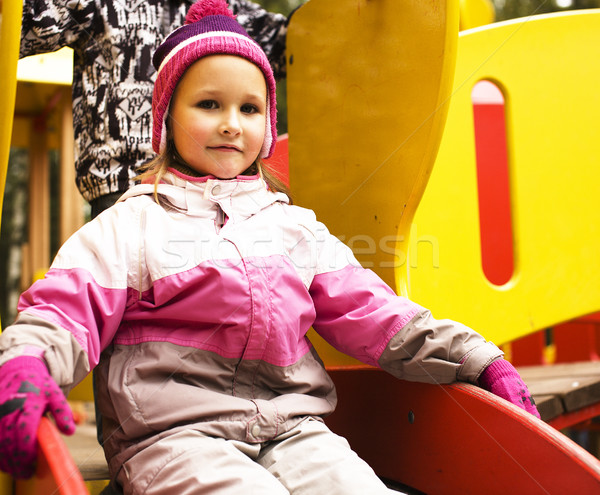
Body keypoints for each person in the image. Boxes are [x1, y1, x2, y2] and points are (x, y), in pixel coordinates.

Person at [0, 0, 540, 492]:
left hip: (292, 428)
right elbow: (64, 312)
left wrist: (474, 357)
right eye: (209, 104)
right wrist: (26, 364)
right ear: (165, 119)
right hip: (173, 436)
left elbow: (379, 315)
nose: (232, 125)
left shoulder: (294, 228)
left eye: (250, 109)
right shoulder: (130, 226)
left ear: (268, 121)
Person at [19, 0, 290, 218]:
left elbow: (298, 42)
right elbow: (22, 25)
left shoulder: (234, 12)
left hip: (227, 190)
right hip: (124, 184)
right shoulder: (97, 4)